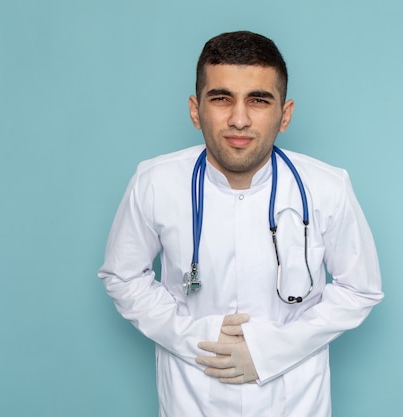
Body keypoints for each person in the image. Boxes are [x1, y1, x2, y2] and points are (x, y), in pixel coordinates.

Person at [98, 31, 383, 417]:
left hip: (295, 403)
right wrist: (192, 337)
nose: (239, 118)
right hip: (191, 401)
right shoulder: (154, 183)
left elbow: (360, 289)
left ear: (285, 115)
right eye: (221, 98)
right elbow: (122, 275)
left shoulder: (327, 187)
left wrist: (273, 349)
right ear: (195, 109)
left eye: (258, 100)